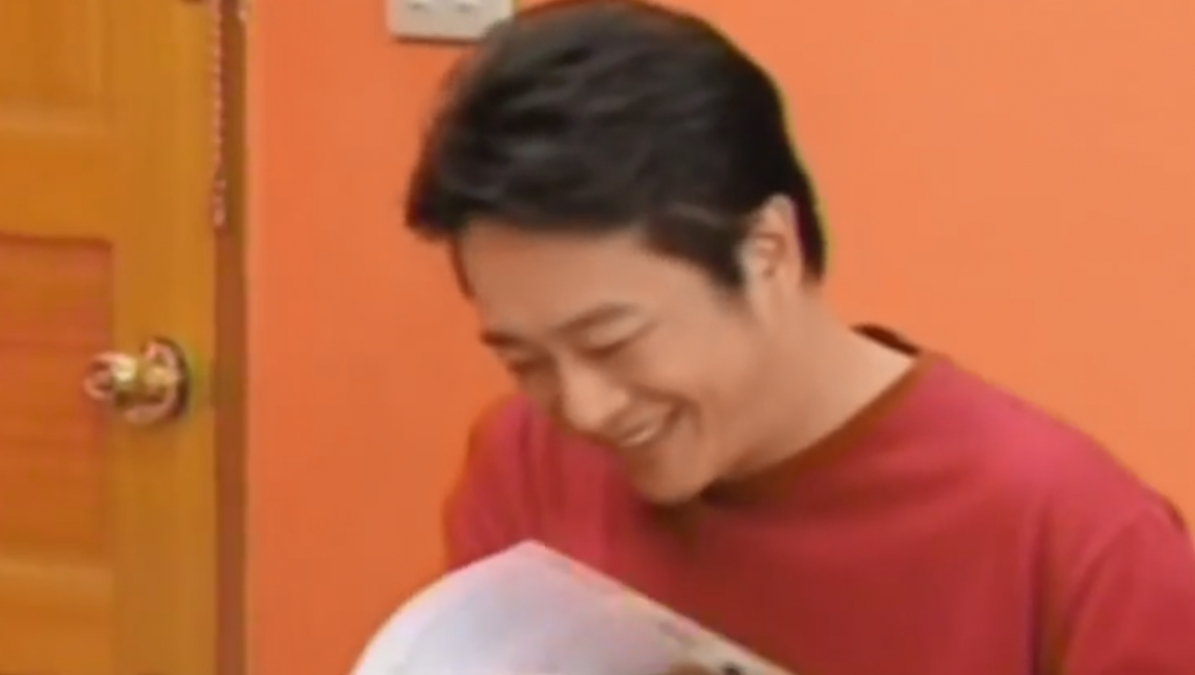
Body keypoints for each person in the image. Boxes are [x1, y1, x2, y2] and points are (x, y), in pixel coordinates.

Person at [402, 0, 1195, 672]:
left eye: (612, 342)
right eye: (525, 359)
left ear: (767, 250)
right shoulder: (527, 462)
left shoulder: (1080, 542)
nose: (584, 407)